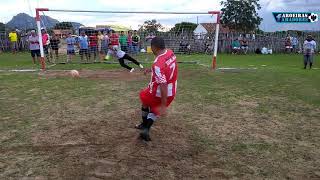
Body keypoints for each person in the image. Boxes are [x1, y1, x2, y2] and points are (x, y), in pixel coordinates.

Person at [135, 37, 178, 141]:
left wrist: (163, 105)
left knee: (146, 101)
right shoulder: (170, 53)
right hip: (172, 91)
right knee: (154, 109)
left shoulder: (158, 64)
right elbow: (164, 67)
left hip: (160, 91)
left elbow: (163, 84)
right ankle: (145, 128)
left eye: (151, 47)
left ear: (154, 47)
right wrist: (151, 70)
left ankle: (145, 127)